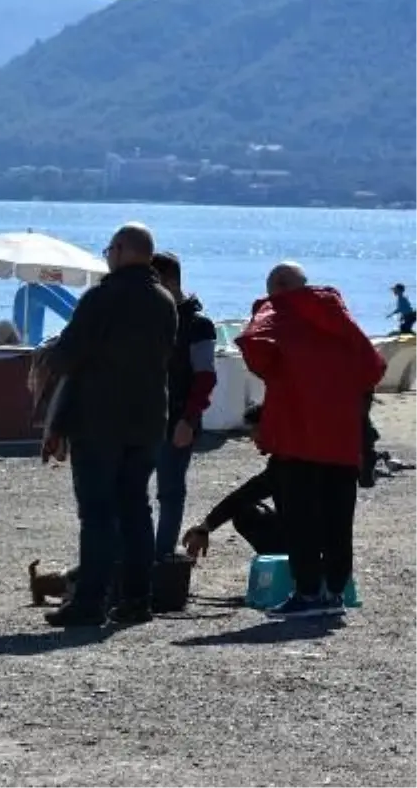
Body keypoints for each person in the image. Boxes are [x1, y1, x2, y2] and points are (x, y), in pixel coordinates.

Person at [41, 223, 178, 627]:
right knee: (136, 508)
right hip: (149, 419)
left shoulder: (103, 297)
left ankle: (90, 601)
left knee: (98, 514)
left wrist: (53, 357)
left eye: (109, 249)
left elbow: (68, 354)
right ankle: (137, 599)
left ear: (120, 250)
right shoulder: (164, 301)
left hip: (99, 419)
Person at [235, 262, 385, 618]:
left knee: (299, 519)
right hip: (340, 438)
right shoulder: (338, 315)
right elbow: (373, 368)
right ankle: (334, 592)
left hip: (296, 433)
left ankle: (307, 592)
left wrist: (262, 310)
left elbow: (256, 354)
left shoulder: (279, 312)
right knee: (337, 519)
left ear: (280, 286)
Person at [148, 252, 218, 560]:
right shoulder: (146, 318)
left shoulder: (198, 325)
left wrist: (189, 419)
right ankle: (137, 555)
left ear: (171, 281)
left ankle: (161, 555)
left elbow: (205, 377)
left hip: (177, 418)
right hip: (141, 418)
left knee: (170, 491)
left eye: (153, 281)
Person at [181, 404, 286, 559]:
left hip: (314, 536)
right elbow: (243, 496)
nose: (251, 436)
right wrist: (205, 528)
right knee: (244, 511)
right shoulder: (281, 462)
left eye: (256, 429)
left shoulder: (288, 463)